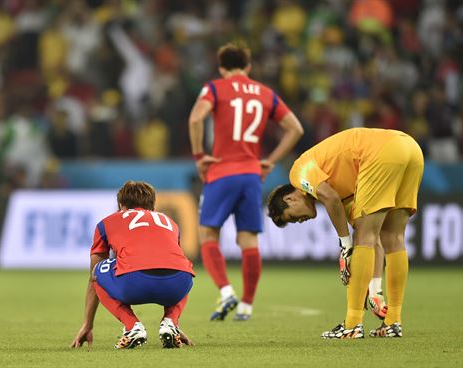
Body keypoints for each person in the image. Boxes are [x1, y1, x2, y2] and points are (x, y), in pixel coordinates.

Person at [266, 128, 423, 338]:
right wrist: (375, 289)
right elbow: (372, 239)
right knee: (391, 237)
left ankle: (352, 325)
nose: (300, 221)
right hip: (410, 148)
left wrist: (345, 245)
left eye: (292, 217)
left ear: (290, 199)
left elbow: (330, 198)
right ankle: (393, 321)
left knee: (362, 240)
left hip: (380, 152)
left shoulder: (298, 172)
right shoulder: (345, 189)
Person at [188, 42, 304, 321]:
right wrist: (271, 160)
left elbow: (195, 119)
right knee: (248, 239)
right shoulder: (265, 93)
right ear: (248, 67)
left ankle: (227, 291)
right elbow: (295, 129)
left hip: (221, 171)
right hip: (252, 174)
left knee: (208, 235)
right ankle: (247, 305)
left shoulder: (215, 88)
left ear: (221, 67)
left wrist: (199, 155)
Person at [71, 181, 195, 349]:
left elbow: (93, 278)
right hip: (179, 283)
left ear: (121, 205)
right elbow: (168, 262)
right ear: (152, 206)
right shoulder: (170, 222)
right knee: (180, 266)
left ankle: (132, 326)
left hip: (134, 283)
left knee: (98, 270)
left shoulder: (106, 223)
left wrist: (88, 324)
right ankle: (170, 322)